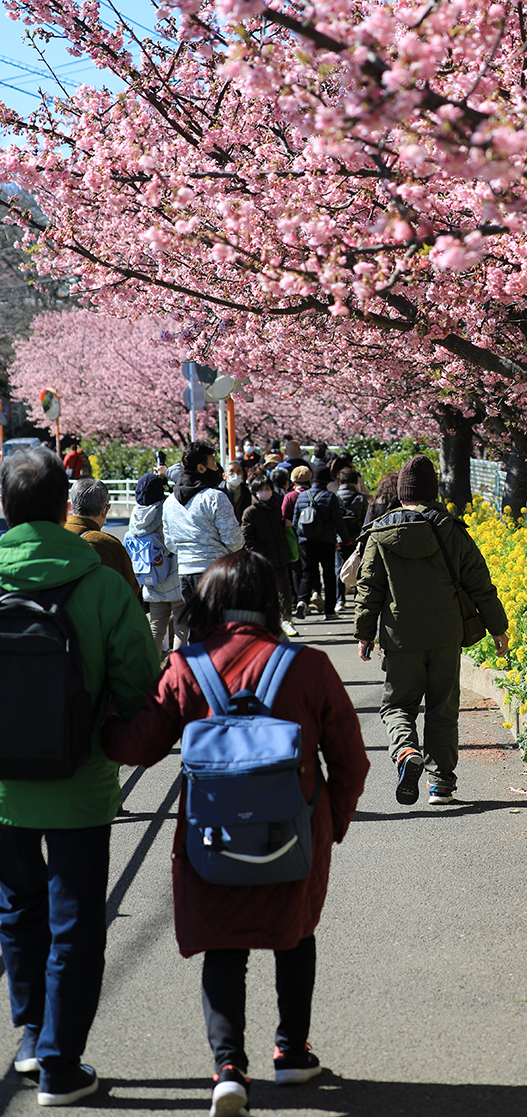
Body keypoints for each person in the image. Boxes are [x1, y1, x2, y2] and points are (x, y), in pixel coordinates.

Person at [102, 550, 368, 1117]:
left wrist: (99, 725)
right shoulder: (308, 665)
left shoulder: (186, 666)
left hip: (211, 837)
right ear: (270, 601)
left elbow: (140, 747)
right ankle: (293, 1052)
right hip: (294, 831)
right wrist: (330, 824)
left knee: (224, 945)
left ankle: (228, 1070)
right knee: (294, 935)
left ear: (210, 602)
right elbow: (351, 760)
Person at [0, 447, 160, 1106]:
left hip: (3, 787)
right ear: (65, 504)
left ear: (7, 510)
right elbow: (139, 681)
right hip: (82, 779)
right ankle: (62, 1065)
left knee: (16, 909)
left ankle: (33, 1038)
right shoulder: (97, 583)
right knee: (75, 922)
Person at [354, 454, 509, 806]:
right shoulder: (451, 528)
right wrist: (497, 627)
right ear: (432, 491)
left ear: (402, 493)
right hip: (445, 635)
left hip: (400, 637)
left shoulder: (381, 531)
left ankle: (407, 751)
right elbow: (479, 582)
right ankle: (441, 785)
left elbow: (369, 588)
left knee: (397, 706)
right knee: (442, 709)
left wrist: (365, 633)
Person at [162, 442, 244, 605]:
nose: (217, 467)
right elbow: (235, 541)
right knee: (219, 628)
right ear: (201, 468)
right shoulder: (215, 497)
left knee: (197, 627)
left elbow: (170, 543)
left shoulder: (170, 502)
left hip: (185, 572)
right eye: (213, 462)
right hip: (215, 572)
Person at [126, 471, 186, 652]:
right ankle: (177, 672)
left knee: (156, 627)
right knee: (181, 628)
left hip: (151, 577)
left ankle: (152, 671)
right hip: (174, 576)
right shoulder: (166, 509)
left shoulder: (136, 516)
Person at [241, 475, 298, 638]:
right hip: (263, 560)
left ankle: (286, 620)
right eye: (260, 490)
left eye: (267, 489)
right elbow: (247, 538)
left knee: (285, 591)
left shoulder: (275, 508)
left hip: (280, 556)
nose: (265, 492)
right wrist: (261, 552)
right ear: (254, 492)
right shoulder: (250, 512)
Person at [66, 479, 142, 600]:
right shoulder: (109, 546)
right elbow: (131, 591)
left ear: (70, 506)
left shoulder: (52, 537)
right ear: (105, 510)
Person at [293, 466, 349, 621]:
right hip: (326, 541)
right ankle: (329, 611)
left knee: (307, 573)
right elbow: (338, 522)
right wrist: (346, 540)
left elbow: (295, 521)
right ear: (326, 482)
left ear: (312, 480)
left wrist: (300, 539)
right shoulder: (330, 497)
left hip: (306, 541)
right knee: (328, 574)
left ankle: (302, 601)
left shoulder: (302, 497)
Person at [333, 468, 368, 614]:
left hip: (340, 540)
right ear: (355, 482)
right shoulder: (361, 498)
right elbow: (366, 520)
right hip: (356, 541)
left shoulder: (334, 497)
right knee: (358, 570)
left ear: (340, 481)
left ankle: (339, 600)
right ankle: (357, 598)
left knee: (339, 569)